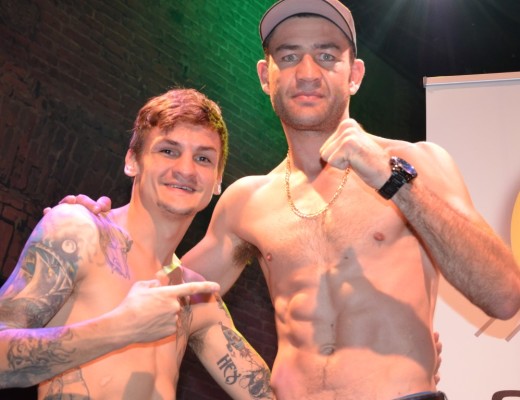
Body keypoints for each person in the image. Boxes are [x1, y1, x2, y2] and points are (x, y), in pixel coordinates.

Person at [55, 0, 520, 399]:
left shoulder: (415, 163)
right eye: (289, 56)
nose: (308, 73)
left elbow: (504, 295)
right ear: (266, 75)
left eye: (327, 55)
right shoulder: (246, 201)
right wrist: (101, 229)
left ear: (355, 74)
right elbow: (159, 294)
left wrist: (392, 181)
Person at [0, 88, 273, 399]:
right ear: (133, 161)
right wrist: (120, 327)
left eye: (203, 158)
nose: (186, 170)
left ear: (217, 180)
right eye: (168, 151)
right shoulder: (81, 232)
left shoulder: (196, 297)